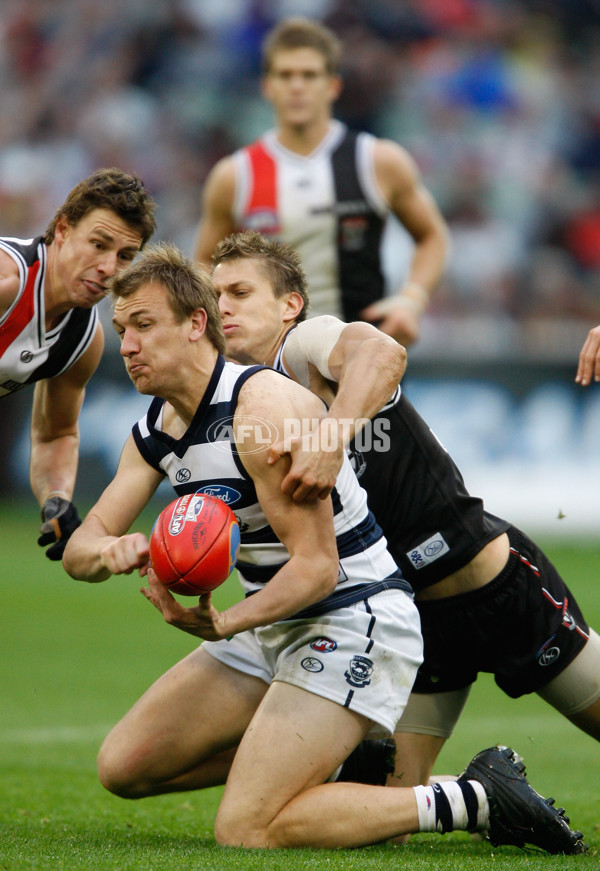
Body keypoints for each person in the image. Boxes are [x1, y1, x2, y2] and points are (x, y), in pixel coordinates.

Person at [62, 243, 583, 854]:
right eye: (121, 329)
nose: (125, 346)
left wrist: (225, 621)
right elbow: (81, 546)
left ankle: (478, 797)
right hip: (276, 624)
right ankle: (311, 762)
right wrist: (109, 551)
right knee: (125, 767)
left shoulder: (264, 409)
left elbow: (315, 570)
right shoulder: (157, 428)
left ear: (193, 325)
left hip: (353, 615)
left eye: (143, 327)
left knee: (246, 829)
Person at [208, 230, 600, 795]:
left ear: (289, 305)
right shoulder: (246, 399)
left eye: (240, 292)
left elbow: (384, 352)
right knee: (388, 811)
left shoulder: (305, 347)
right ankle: (494, 794)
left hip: (497, 591)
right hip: (416, 622)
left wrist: (331, 437)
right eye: (216, 293)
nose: (223, 306)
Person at [194, 17, 449, 347]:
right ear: (267, 86)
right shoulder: (235, 175)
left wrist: (412, 300)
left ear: (333, 86)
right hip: (268, 368)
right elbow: (203, 264)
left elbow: (432, 236)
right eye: (286, 75)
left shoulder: (377, 161)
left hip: (360, 359)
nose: (297, 86)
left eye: (309, 75)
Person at [0, 167, 157, 559]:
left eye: (125, 256)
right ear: (63, 229)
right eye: (98, 244)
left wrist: (56, 497)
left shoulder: (82, 340)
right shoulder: (8, 281)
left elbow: (55, 434)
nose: (108, 268)